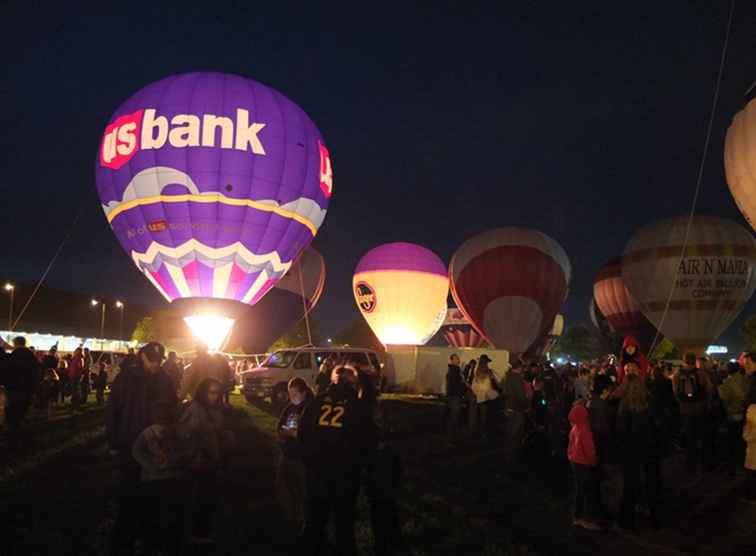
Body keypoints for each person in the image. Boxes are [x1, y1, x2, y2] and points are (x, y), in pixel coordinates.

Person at [105, 342, 177, 553]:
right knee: (128, 492)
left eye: (158, 360)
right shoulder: (126, 378)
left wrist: (168, 438)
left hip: (155, 445)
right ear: (142, 357)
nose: (155, 364)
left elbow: (172, 410)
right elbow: (112, 412)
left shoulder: (165, 381)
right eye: (151, 359)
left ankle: (147, 535)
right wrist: (113, 441)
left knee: (152, 493)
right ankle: (123, 538)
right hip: (128, 443)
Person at [297, 365, 377, 556]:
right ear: (353, 383)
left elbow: (302, 433)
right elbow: (369, 440)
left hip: (316, 473)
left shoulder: (315, 404)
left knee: (314, 521)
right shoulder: (358, 407)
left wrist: (309, 460)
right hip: (345, 476)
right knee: (344, 524)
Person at [132, 400, 199, 556]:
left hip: (172, 478)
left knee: (172, 511)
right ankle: (154, 540)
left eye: (163, 413)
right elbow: (137, 451)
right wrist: (149, 465)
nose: (160, 417)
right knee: (154, 511)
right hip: (154, 478)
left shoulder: (179, 432)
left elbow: (189, 449)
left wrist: (178, 461)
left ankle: (170, 541)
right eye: (157, 413)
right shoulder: (148, 433)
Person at [180, 377, 228, 544]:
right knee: (200, 498)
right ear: (203, 392)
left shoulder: (216, 409)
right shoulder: (195, 409)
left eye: (218, 393)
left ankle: (204, 530)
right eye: (212, 392)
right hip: (198, 461)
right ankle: (198, 533)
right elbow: (185, 434)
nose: (215, 396)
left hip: (212, 459)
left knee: (209, 497)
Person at [616, 375, 662, 530]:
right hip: (649, 448)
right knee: (652, 482)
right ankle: (655, 518)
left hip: (630, 451)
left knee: (629, 485)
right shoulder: (649, 405)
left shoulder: (623, 410)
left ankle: (627, 521)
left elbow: (620, 433)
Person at [277, 377, 314, 531]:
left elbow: (312, 435)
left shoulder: (310, 409)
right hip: (287, 454)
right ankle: (290, 518)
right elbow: (279, 426)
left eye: (294, 394)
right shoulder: (289, 408)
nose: (292, 398)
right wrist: (283, 432)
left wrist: (296, 434)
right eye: (290, 394)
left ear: (303, 393)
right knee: (284, 487)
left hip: (302, 458)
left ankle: (304, 520)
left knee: (303, 491)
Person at [672, 352, 712, 476]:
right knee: (699, 435)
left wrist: (681, 403)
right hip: (699, 408)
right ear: (695, 361)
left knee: (689, 436)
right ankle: (702, 463)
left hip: (685, 409)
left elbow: (675, 392)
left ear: (684, 361)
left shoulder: (677, 375)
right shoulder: (701, 374)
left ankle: (689, 464)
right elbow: (709, 389)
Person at [2, 336, 42, 454]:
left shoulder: (13, 357)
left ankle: (13, 444)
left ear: (15, 343)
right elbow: (37, 374)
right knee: (22, 416)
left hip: (14, 390)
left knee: (12, 418)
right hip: (28, 391)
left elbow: (6, 372)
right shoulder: (32, 358)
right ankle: (24, 442)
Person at [567, 402, 601, 530]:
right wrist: (593, 460)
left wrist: (570, 456)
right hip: (584, 463)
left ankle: (577, 516)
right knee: (586, 490)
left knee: (579, 489)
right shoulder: (585, 429)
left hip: (575, 462)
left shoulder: (574, 428)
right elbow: (589, 449)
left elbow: (570, 445)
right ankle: (585, 517)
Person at [718, 361, 748, 475]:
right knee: (742, 438)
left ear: (728, 370)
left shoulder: (728, 382)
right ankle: (742, 460)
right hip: (745, 413)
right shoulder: (745, 379)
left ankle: (733, 463)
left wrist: (720, 387)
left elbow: (724, 398)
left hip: (732, 413)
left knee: (732, 438)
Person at [503, 360, 528, 461]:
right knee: (516, 432)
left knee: (510, 430)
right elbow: (521, 395)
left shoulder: (507, 377)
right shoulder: (517, 378)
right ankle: (512, 455)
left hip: (509, 406)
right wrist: (526, 405)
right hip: (516, 407)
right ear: (519, 367)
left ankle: (508, 452)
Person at [470, 357, 499, 440]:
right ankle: (484, 434)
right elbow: (495, 384)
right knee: (486, 417)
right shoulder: (489, 373)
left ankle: (478, 433)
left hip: (479, 398)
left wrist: (477, 394)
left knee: (480, 416)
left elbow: (473, 387)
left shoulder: (476, 373)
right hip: (488, 397)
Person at [445, 354, 468, 441]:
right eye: (456, 358)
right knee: (454, 415)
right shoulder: (454, 371)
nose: (458, 360)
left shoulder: (453, 370)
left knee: (453, 415)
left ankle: (451, 435)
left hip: (453, 395)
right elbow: (457, 384)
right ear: (451, 360)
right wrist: (463, 390)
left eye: (458, 358)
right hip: (455, 395)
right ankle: (451, 436)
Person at [743, 371, 756, 504]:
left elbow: (750, 434)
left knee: (751, 474)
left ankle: (751, 497)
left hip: (754, 451)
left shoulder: (752, 409)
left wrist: (746, 436)